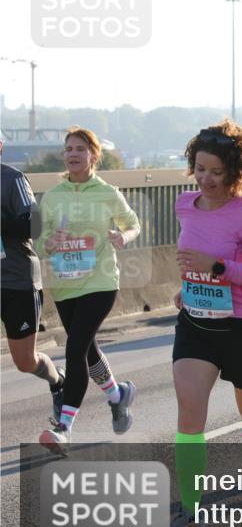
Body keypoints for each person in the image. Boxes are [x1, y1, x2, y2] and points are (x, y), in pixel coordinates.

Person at [169, 120, 242, 527]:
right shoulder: (184, 204)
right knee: (189, 415)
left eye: (216, 171)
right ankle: (191, 513)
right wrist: (188, 289)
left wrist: (216, 268)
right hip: (197, 325)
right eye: (200, 168)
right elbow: (191, 260)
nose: (206, 179)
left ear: (235, 171)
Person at [37, 127, 140, 456]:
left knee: (75, 347)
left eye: (80, 149)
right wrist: (48, 242)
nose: (73, 154)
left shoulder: (108, 192)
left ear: (93, 156)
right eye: (68, 149)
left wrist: (124, 237)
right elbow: (38, 238)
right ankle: (117, 395)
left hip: (100, 281)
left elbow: (132, 223)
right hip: (66, 284)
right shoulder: (52, 196)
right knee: (87, 350)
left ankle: (64, 427)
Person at [1, 148, 66, 420]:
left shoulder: (12, 179)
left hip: (17, 281)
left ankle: (58, 382)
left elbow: (35, 225)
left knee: (25, 361)